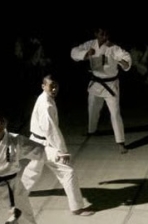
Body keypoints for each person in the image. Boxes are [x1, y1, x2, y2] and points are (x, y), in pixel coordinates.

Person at [20, 75, 94, 216]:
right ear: (43, 86)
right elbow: (51, 130)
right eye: (51, 86)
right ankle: (76, 208)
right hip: (44, 144)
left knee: (33, 170)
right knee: (68, 172)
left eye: (56, 86)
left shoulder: (45, 99)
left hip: (36, 142)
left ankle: (17, 194)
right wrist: (61, 151)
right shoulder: (46, 104)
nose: (54, 89)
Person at [70, 27, 133, 154]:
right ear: (96, 34)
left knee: (115, 113)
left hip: (111, 85)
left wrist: (124, 62)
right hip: (96, 83)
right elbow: (74, 52)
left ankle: (120, 142)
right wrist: (86, 54)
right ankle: (91, 130)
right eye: (101, 34)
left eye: (106, 34)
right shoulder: (90, 44)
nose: (104, 37)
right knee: (92, 109)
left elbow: (126, 57)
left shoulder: (114, 48)